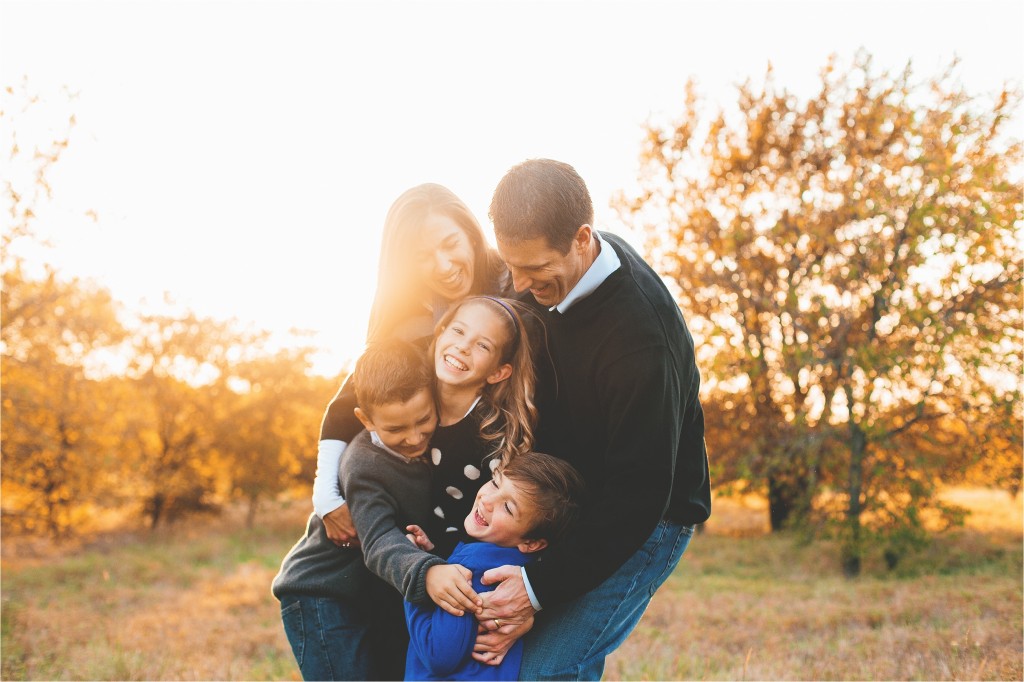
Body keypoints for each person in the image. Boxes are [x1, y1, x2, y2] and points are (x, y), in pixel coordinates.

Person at [475, 159, 712, 680]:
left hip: (647, 513)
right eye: (511, 265)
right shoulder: (549, 272)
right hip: (564, 492)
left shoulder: (639, 340)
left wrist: (537, 590)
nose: (517, 284)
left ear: (582, 238)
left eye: (534, 270)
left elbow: (638, 495)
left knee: (543, 669)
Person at [313, 184, 510, 549]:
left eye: (450, 244)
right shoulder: (414, 324)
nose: (443, 266)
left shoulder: (513, 287)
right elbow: (346, 406)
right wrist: (325, 497)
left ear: (470, 233)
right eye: (422, 256)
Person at [272, 339, 445, 681]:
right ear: (366, 420)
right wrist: (427, 571)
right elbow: (379, 541)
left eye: (422, 420)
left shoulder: (435, 442)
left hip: (371, 594)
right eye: (396, 429)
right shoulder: (364, 465)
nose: (413, 437)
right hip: (323, 592)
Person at [404, 451, 586, 681]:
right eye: (495, 483)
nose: (487, 501)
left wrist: (417, 581)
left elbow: (438, 655)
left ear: (531, 543)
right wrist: (432, 556)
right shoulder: (521, 567)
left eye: (508, 508)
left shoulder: (472, 570)